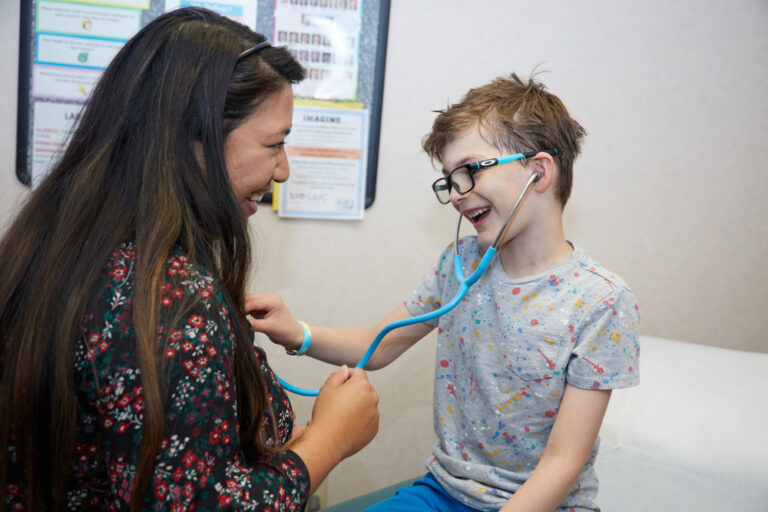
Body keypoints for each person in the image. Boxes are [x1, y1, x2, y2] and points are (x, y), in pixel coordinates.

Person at [0, 7, 379, 511]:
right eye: (274, 144)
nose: (283, 170)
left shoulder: (51, 245)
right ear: (193, 139)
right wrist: (330, 440)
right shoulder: (167, 296)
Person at [247, 73, 640, 511]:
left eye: (469, 171)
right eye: (449, 179)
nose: (456, 194)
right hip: (445, 491)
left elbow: (563, 461)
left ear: (539, 171)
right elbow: (376, 346)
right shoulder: (461, 264)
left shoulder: (602, 301)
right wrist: (294, 332)